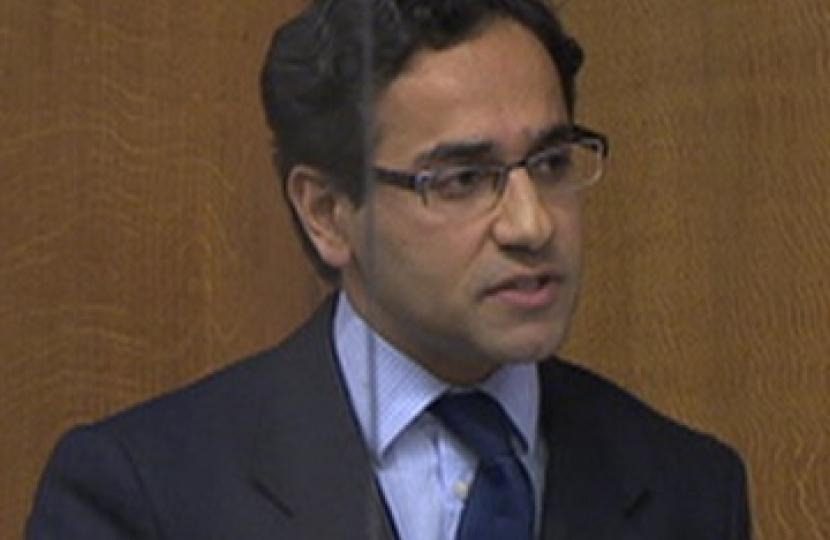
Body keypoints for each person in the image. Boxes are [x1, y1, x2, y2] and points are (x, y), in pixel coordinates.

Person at [26, 0, 752, 539]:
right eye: (463, 179)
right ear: (329, 213)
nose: (532, 225)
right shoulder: (146, 495)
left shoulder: (689, 489)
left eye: (551, 163)